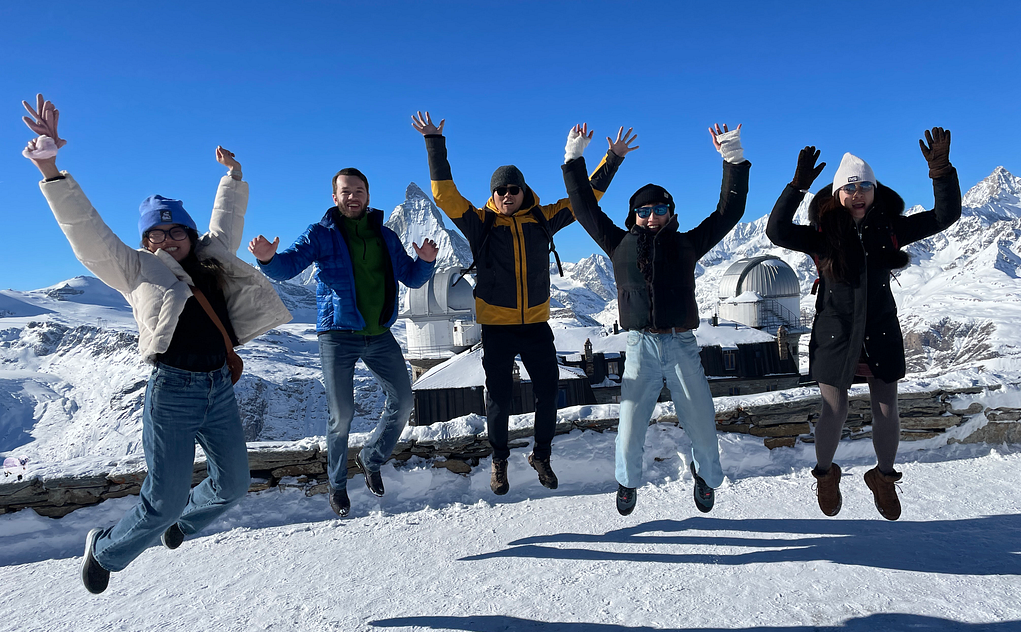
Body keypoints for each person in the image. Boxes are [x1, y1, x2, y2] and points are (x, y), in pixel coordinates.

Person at [20, 94, 292, 594]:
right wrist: (52, 171)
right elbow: (88, 234)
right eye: (156, 234)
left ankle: (179, 525)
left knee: (231, 485)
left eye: (174, 231)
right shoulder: (134, 269)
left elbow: (226, 220)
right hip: (173, 392)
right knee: (162, 497)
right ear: (145, 242)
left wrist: (232, 176)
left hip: (219, 386)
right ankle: (105, 548)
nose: (166, 240)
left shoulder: (213, 258)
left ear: (188, 233)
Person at [411, 111, 635, 495]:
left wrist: (611, 158)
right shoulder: (480, 220)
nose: (508, 196)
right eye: (501, 191)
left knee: (548, 392)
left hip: (535, 325)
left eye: (513, 189)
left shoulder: (543, 218)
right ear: (493, 194)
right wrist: (435, 142)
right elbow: (445, 195)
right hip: (496, 327)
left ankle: (541, 455)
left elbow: (586, 197)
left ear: (523, 190)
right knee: (498, 398)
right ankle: (499, 461)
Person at [766, 130, 961, 520]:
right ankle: (825, 474)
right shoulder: (822, 236)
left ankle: (884, 478)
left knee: (887, 408)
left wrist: (940, 171)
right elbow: (777, 231)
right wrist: (797, 187)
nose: (858, 194)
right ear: (837, 195)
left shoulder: (891, 228)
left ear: (875, 191)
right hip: (835, 334)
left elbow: (945, 216)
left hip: (881, 331)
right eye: (849, 188)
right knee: (833, 410)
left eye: (865, 186)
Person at [562, 122, 750, 516]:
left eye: (659, 210)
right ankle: (628, 483)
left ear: (671, 213)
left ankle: (706, 477)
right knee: (630, 426)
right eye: (643, 211)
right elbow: (583, 207)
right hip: (640, 347)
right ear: (633, 216)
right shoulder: (617, 244)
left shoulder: (687, 244)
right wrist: (574, 157)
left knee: (701, 420)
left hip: (682, 344)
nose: (651, 217)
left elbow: (729, 212)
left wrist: (732, 157)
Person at [249, 169, 437, 517]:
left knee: (405, 401)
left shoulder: (385, 235)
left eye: (359, 191)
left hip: (379, 334)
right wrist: (267, 260)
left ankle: (371, 457)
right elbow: (287, 267)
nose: (353, 197)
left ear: (368, 195)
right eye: (346, 191)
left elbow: (410, 276)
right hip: (337, 335)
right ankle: (336, 485)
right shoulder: (320, 235)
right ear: (334, 198)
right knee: (342, 415)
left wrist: (426, 262)